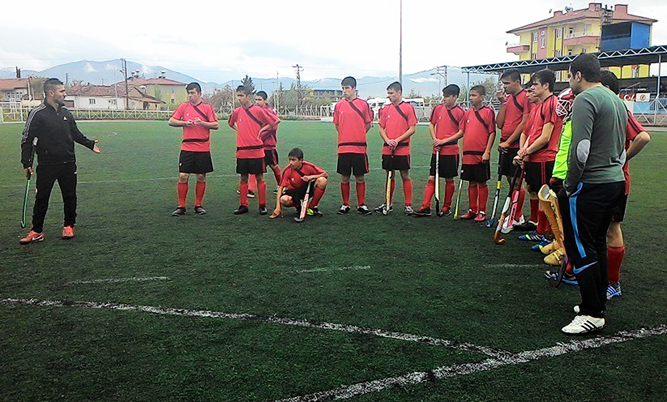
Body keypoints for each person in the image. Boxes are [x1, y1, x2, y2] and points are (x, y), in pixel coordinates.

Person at [558, 53, 627, 335]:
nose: (569, 82)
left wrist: (571, 184)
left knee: (581, 247)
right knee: (597, 244)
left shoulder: (585, 99)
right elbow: (622, 150)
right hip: (614, 181)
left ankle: (592, 312)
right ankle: (597, 303)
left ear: (577, 75)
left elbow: (581, 148)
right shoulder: (616, 100)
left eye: (569, 76)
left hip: (592, 184)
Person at [19, 78, 101, 244]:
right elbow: (27, 139)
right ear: (51, 93)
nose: (65, 94)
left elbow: (75, 134)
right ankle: (37, 230)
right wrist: (26, 163)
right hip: (47, 164)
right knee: (42, 198)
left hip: (68, 163)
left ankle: (69, 225)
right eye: (62, 91)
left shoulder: (66, 114)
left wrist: (90, 144)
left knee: (70, 196)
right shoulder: (37, 114)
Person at [599, 70, 651, 300]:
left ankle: (613, 282)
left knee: (612, 229)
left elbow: (643, 137)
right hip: (599, 180)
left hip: (615, 181)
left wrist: (624, 158)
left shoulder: (619, 108)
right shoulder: (601, 109)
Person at [514, 70, 563, 243]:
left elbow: (545, 137)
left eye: (535, 85)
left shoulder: (552, 103)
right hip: (535, 157)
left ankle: (546, 233)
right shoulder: (540, 106)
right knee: (537, 194)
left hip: (545, 157)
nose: (532, 88)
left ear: (546, 86)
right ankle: (541, 231)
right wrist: (523, 152)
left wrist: (525, 151)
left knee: (546, 198)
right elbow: (532, 133)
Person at [441, 85, 495, 222]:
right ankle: (472, 209)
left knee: (481, 182)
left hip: (481, 153)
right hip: (468, 153)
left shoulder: (488, 112)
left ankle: (482, 211)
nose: (471, 98)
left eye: (474, 95)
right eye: (470, 95)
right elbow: (462, 132)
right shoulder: (467, 113)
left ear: (482, 97)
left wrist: (487, 151)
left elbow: (492, 133)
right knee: (471, 182)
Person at [168, 82, 219, 216]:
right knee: (183, 176)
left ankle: (198, 205)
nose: (190, 96)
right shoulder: (183, 107)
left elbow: (215, 125)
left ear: (199, 94)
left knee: (201, 176)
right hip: (187, 147)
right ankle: (181, 206)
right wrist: (184, 123)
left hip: (203, 148)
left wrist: (203, 123)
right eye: (189, 93)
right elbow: (171, 121)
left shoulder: (207, 108)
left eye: (193, 93)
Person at [228, 85, 280, 215]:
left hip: (257, 150)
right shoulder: (237, 111)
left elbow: (274, 121)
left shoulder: (258, 110)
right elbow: (230, 123)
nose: (239, 98)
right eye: (238, 96)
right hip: (242, 150)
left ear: (248, 96)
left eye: (242, 95)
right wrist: (239, 130)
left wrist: (261, 130)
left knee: (259, 178)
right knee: (243, 178)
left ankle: (262, 205)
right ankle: (243, 205)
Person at [415, 84, 465, 217]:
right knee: (431, 178)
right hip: (437, 150)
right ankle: (425, 206)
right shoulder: (438, 109)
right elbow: (432, 124)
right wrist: (435, 139)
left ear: (455, 97)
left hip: (451, 151)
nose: (444, 99)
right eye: (443, 96)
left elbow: (461, 132)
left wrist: (444, 141)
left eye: (447, 96)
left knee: (449, 179)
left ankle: (446, 207)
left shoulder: (460, 112)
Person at [374, 81, 418, 215]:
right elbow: (381, 127)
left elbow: (412, 129)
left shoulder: (408, 108)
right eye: (388, 93)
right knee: (389, 175)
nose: (389, 96)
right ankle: (387, 202)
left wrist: (398, 140)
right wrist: (387, 140)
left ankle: (408, 205)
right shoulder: (386, 109)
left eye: (392, 93)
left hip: (402, 148)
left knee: (405, 175)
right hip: (388, 148)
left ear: (399, 93)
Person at [333, 76, 374, 215]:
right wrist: (346, 136)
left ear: (354, 89)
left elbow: (368, 123)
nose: (344, 91)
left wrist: (359, 134)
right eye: (343, 88)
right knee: (344, 177)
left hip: (359, 147)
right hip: (344, 147)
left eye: (347, 88)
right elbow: (337, 125)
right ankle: (345, 204)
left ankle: (361, 205)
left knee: (360, 177)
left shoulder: (363, 104)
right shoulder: (339, 106)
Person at [496, 69, 529, 227]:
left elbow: (524, 123)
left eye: (507, 83)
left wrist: (509, 142)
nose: (505, 86)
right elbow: (500, 124)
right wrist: (502, 103)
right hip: (505, 144)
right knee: (510, 180)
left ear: (517, 82)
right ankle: (515, 213)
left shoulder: (525, 97)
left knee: (517, 182)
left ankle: (517, 216)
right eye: (503, 83)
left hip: (516, 145)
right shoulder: (508, 99)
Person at [270, 148, 327, 219]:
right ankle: (298, 206)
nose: (291, 162)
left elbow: (324, 174)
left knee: (322, 181)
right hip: (294, 191)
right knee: (284, 200)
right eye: (290, 160)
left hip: (307, 189)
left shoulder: (308, 166)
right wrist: (278, 207)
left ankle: (311, 207)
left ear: (301, 160)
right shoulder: (287, 170)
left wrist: (311, 177)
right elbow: (280, 187)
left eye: (293, 160)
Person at [247, 91, 282, 195]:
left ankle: (281, 185)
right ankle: (251, 189)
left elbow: (273, 127)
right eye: (256, 100)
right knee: (255, 166)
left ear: (265, 100)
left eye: (259, 100)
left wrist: (259, 136)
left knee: (273, 166)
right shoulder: (256, 111)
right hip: (258, 145)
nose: (257, 102)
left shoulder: (269, 112)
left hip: (268, 145)